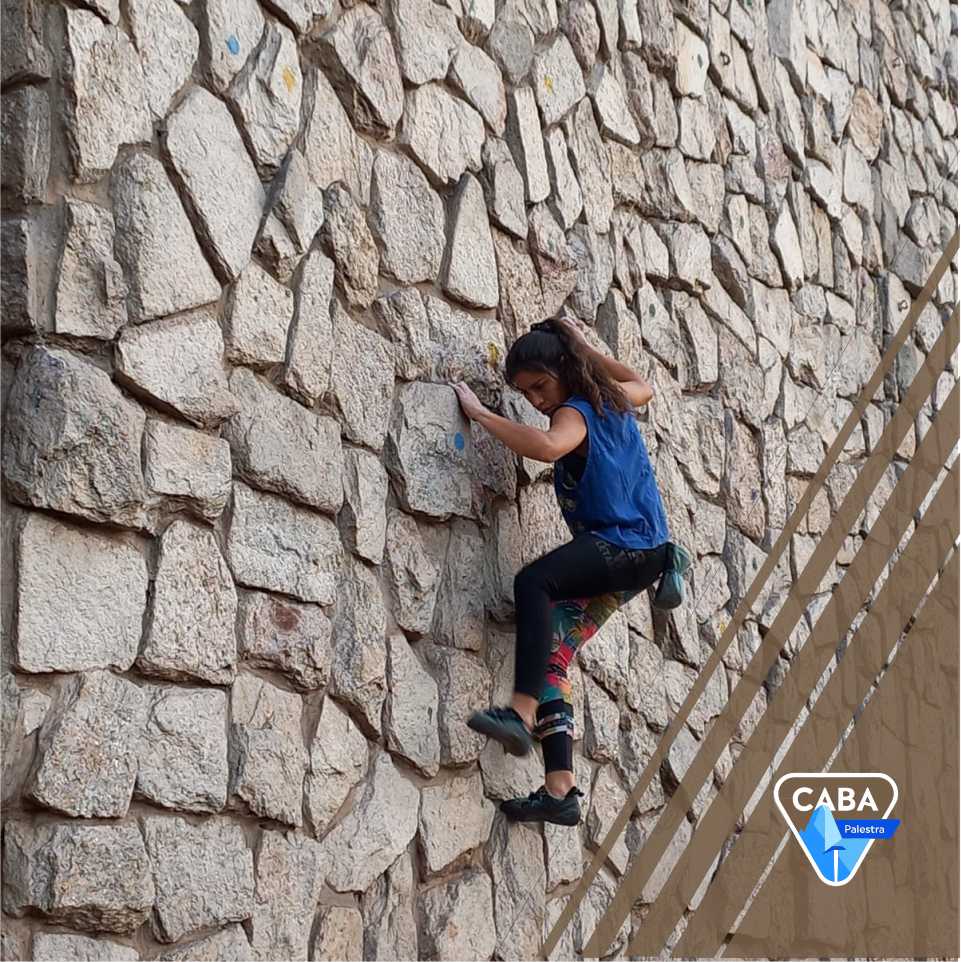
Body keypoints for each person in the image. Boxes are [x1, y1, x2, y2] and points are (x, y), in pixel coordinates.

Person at [451, 315, 674, 827]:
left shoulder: (575, 411)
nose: (536, 401)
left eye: (540, 386)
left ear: (565, 373)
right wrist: (583, 346)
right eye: (526, 394)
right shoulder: (616, 401)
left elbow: (550, 446)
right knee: (553, 650)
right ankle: (560, 789)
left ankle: (520, 712)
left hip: (620, 548)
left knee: (534, 581)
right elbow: (644, 382)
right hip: (640, 559)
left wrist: (483, 416)